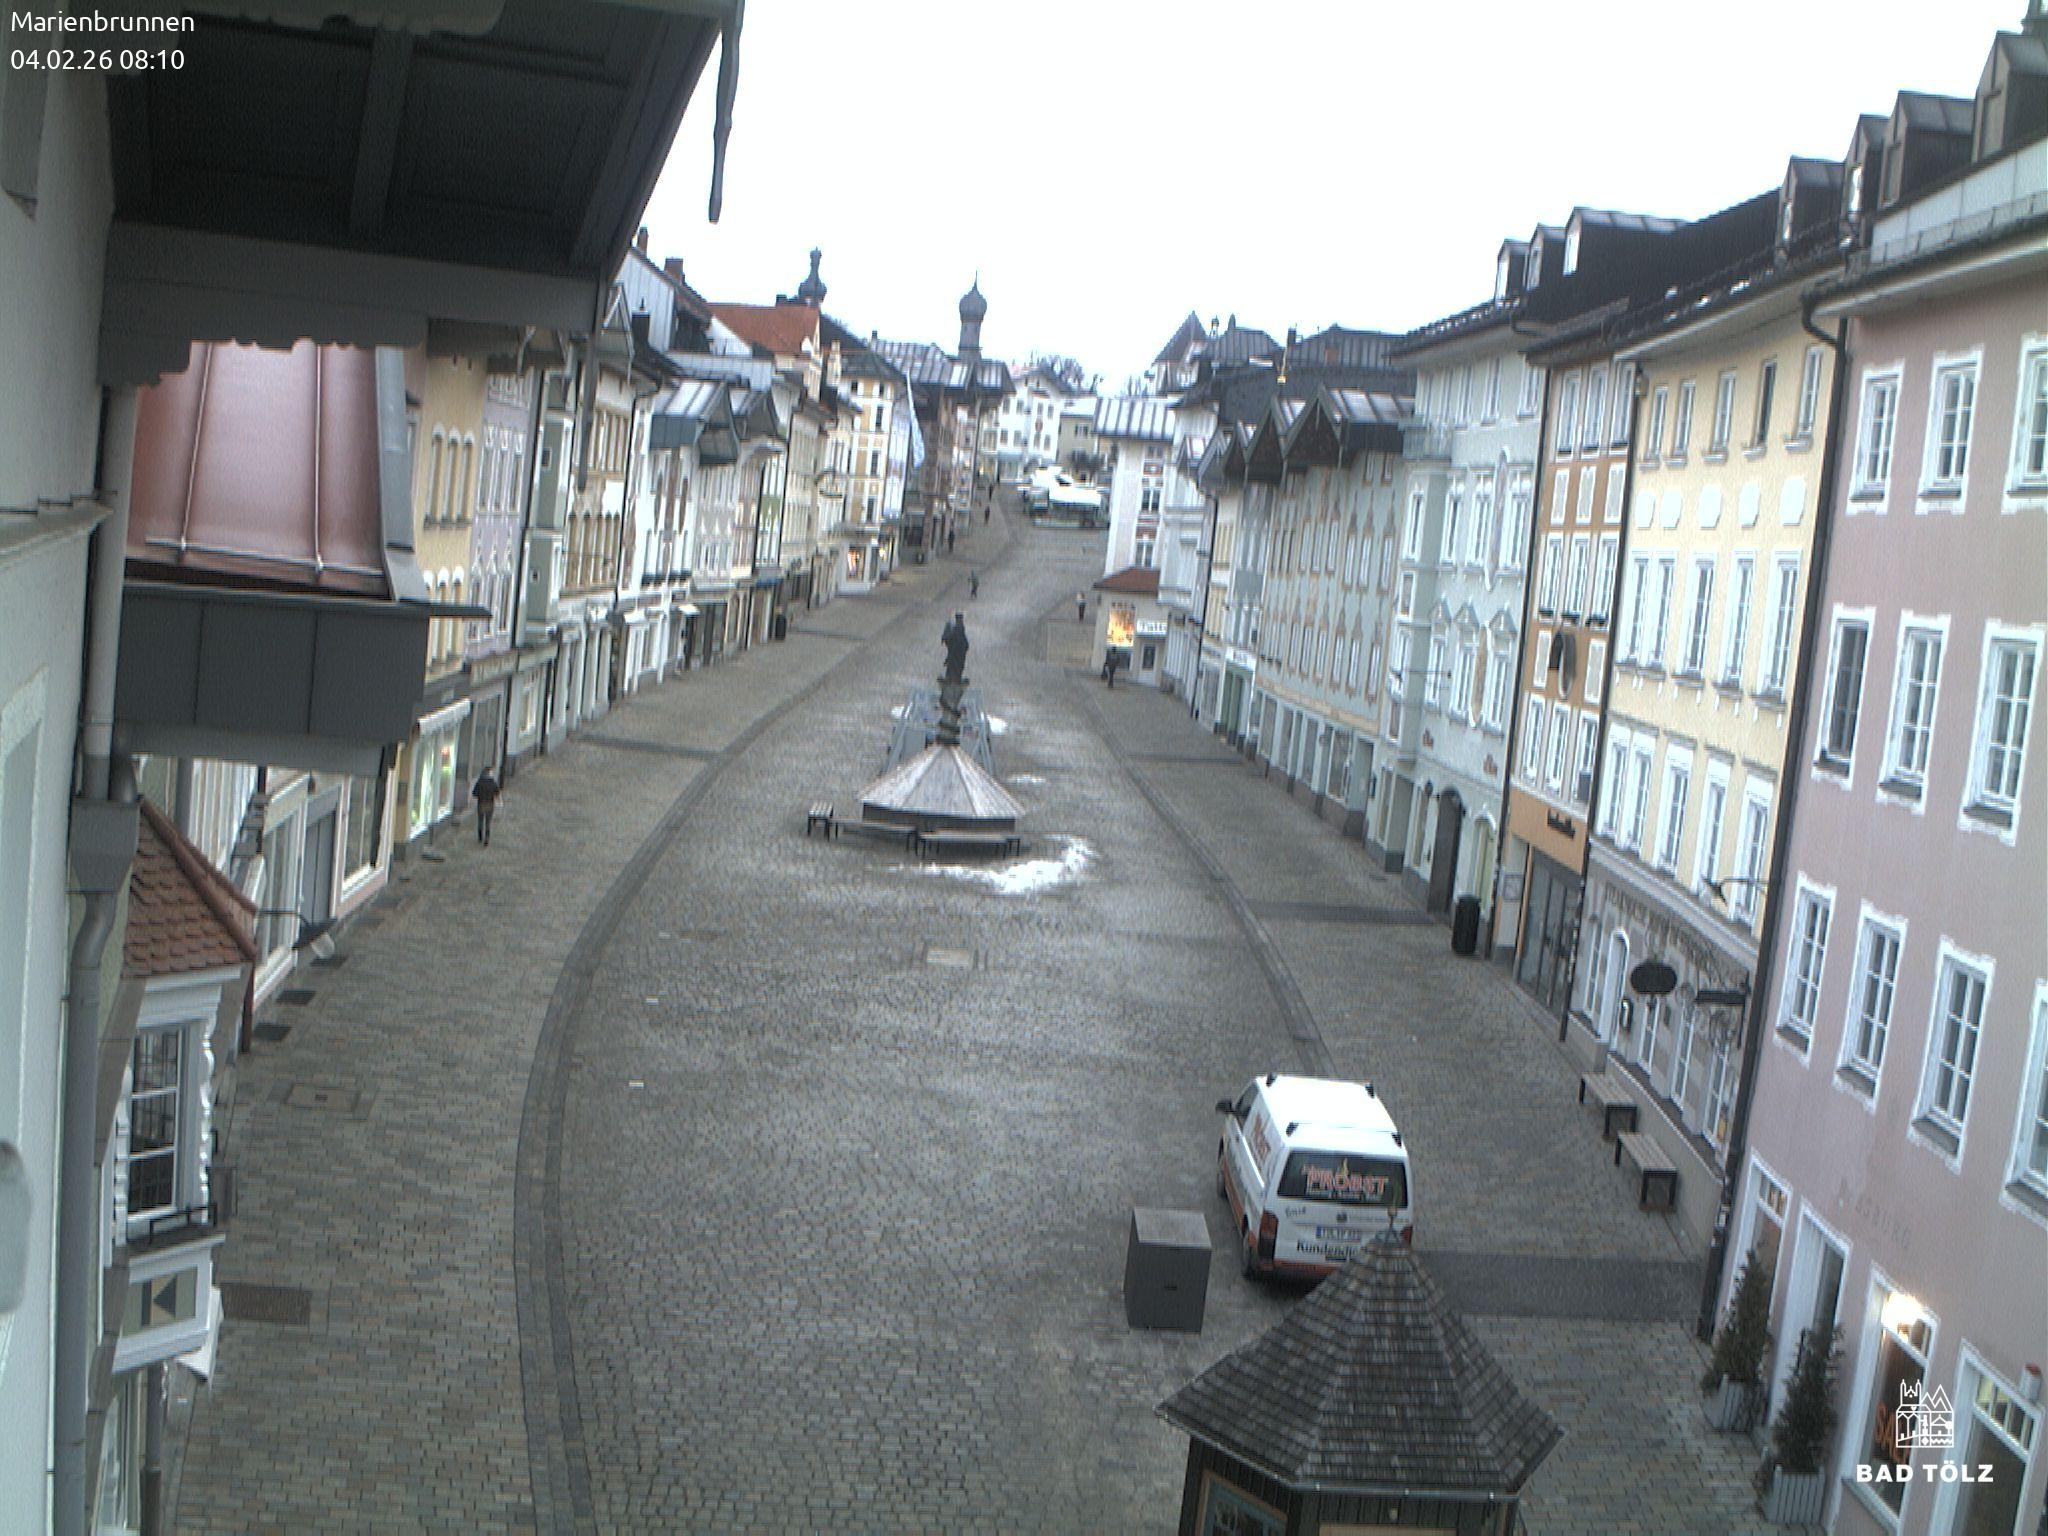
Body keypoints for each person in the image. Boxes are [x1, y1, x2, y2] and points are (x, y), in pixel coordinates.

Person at [472, 766, 500, 845]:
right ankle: (487, 838)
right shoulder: (493, 783)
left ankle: (480, 836)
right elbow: (497, 793)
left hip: (481, 804)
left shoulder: (479, 782)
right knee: (488, 822)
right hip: (490, 804)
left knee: (480, 821)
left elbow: (474, 794)